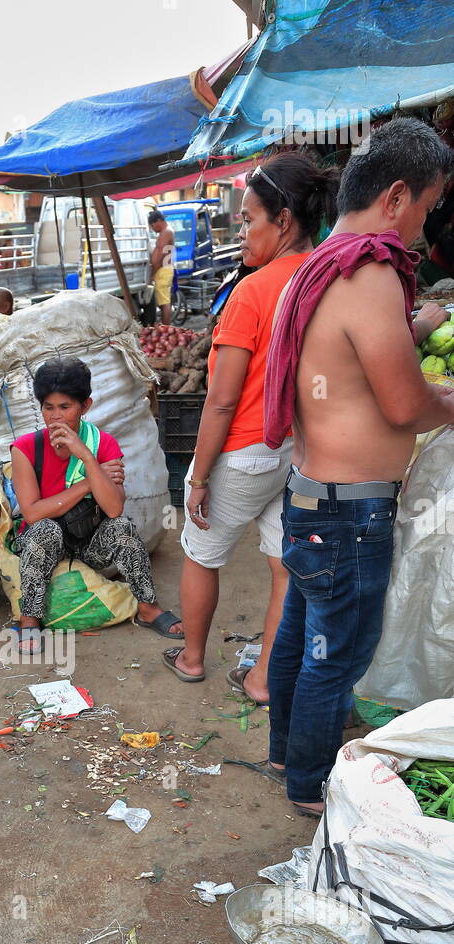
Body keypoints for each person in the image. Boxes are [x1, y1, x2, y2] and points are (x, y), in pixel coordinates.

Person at [264, 117, 454, 817]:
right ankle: (312, 790)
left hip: (311, 494)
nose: (424, 228)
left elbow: (346, 361)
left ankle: (287, 752)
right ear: (398, 196)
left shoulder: (317, 266)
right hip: (351, 511)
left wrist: (417, 327)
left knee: (299, 637)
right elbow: (403, 403)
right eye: (429, 207)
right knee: (335, 657)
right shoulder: (371, 272)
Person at [163, 154, 339, 698]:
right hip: (292, 448)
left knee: (199, 552)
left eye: (247, 220)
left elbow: (219, 402)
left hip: (240, 451)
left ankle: (192, 658)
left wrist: (197, 477)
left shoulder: (252, 292)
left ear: (282, 221)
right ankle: (264, 677)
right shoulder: (327, 278)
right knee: (282, 566)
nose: (240, 232)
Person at [9, 357, 174, 653]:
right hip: (46, 542)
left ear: (85, 406)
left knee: (122, 528)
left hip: (88, 541)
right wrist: (88, 482)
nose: (56, 417)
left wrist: (86, 456)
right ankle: (30, 619)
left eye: (65, 407)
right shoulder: (25, 449)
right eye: (49, 407)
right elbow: (32, 513)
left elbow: (113, 510)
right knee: (44, 529)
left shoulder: (101, 444)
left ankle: (148, 608)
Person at [148, 209, 175, 325]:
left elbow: (161, 255)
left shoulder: (166, 232)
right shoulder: (165, 232)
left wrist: (153, 271)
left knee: (164, 302)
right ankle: (165, 326)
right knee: (163, 301)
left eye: (152, 226)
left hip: (162, 269)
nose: (153, 229)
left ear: (157, 222)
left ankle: (165, 327)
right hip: (163, 269)